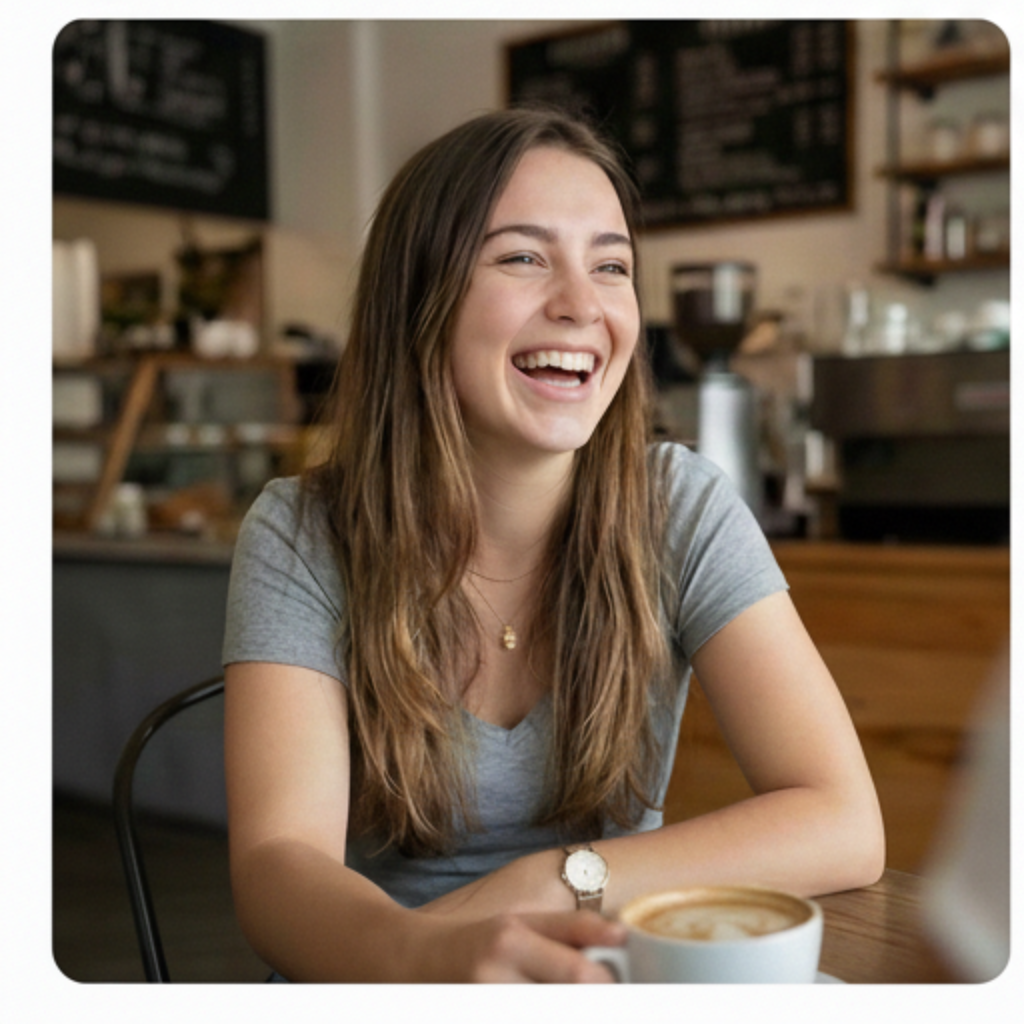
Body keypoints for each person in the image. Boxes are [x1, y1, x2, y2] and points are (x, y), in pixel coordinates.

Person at [222, 106, 884, 983]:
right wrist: (420, 954)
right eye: (523, 258)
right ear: (419, 296)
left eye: (611, 266)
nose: (582, 306)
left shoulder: (677, 507)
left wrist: (553, 882)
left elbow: (844, 821)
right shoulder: (302, 531)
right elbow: (276, 866)